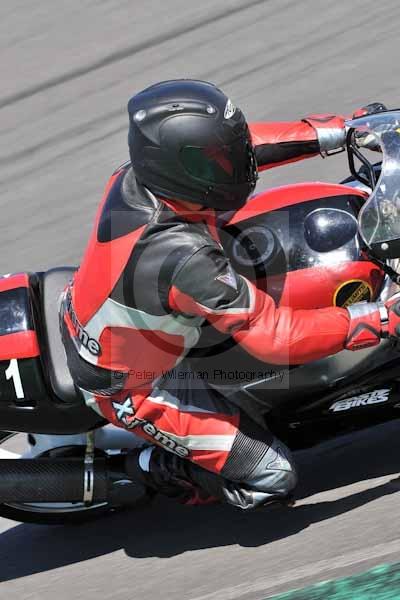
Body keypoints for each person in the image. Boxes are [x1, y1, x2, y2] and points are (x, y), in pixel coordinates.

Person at [60, 79, 400, 510]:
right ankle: (150, 468)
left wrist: (341, 131)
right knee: (272, 475)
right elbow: (275, 337)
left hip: (139, 315)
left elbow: (243, 146)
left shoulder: (141, 175)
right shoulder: (181, 257)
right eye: (216, 161)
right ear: (180, 169)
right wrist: (380, 319)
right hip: (134, 383)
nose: (233, 163)